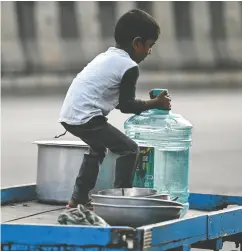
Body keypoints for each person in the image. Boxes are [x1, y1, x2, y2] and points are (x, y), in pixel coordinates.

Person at [58, 9, 171, 209]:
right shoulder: (129, 66)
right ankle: (122, 201)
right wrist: (156, 103)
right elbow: (127, 106)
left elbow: (118, 101)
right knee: (129, 150)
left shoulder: (108, 56)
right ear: (137, 43)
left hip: (70, 113)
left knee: (97, 149)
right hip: (86, 116)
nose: (150, 52)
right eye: (149, 46)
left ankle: (78, 198)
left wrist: (148, 102)